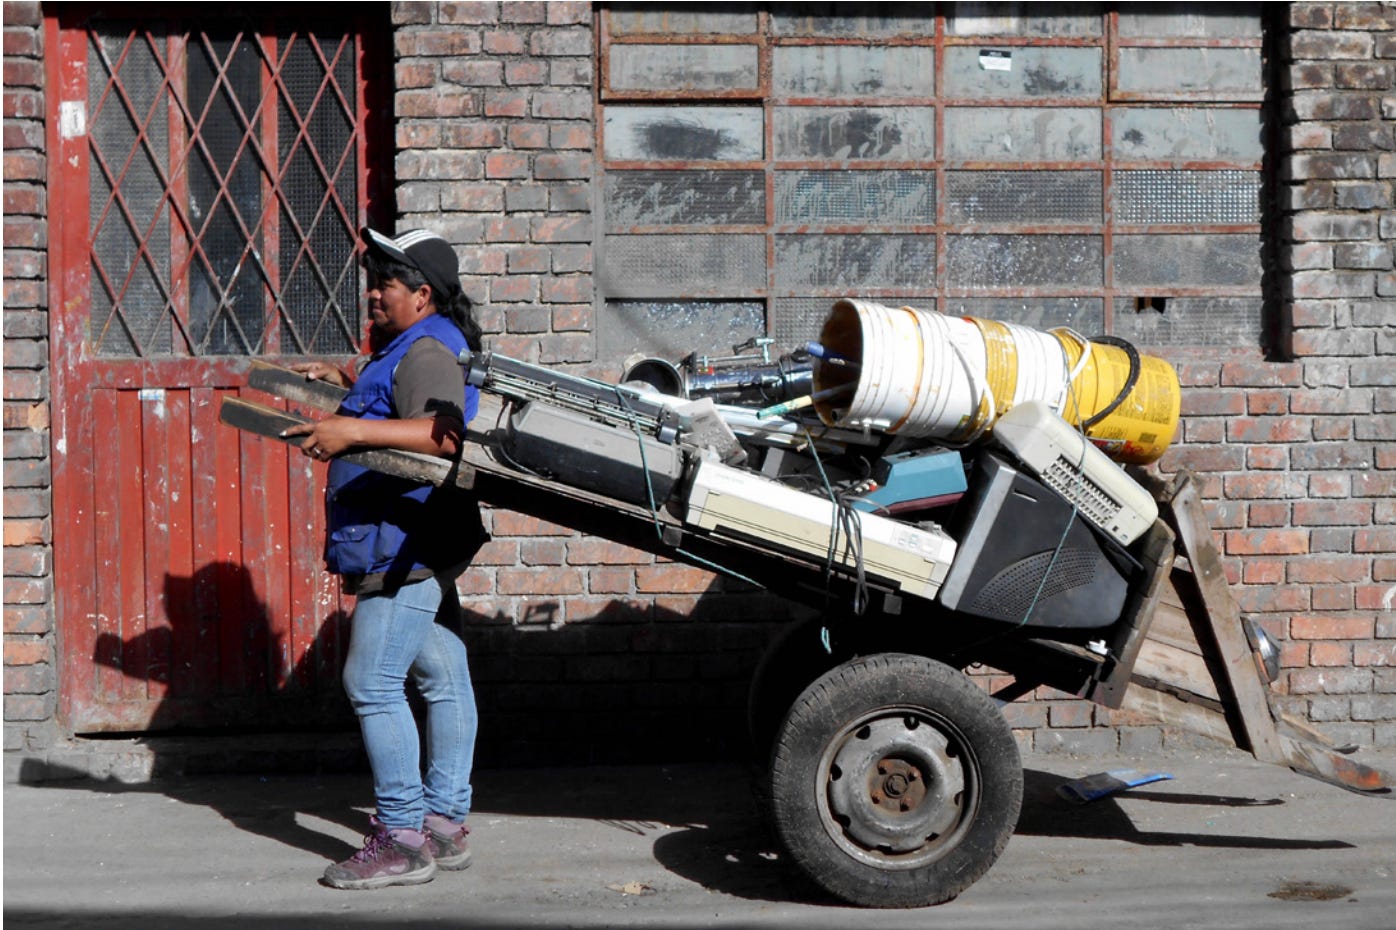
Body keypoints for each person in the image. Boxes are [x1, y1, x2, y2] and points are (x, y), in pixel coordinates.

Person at [281, 227, 486, 890]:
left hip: (404, 545)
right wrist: (345, 384)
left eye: (385, 284)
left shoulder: (426, 349)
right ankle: (445, 823)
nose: (372, 294)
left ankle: (401, 837)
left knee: (371, 682)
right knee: (443, 672)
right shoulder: (415, 346)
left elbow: (442, 433)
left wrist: (350, 428)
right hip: (416, 540)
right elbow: (406, 405)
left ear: (422, 294)